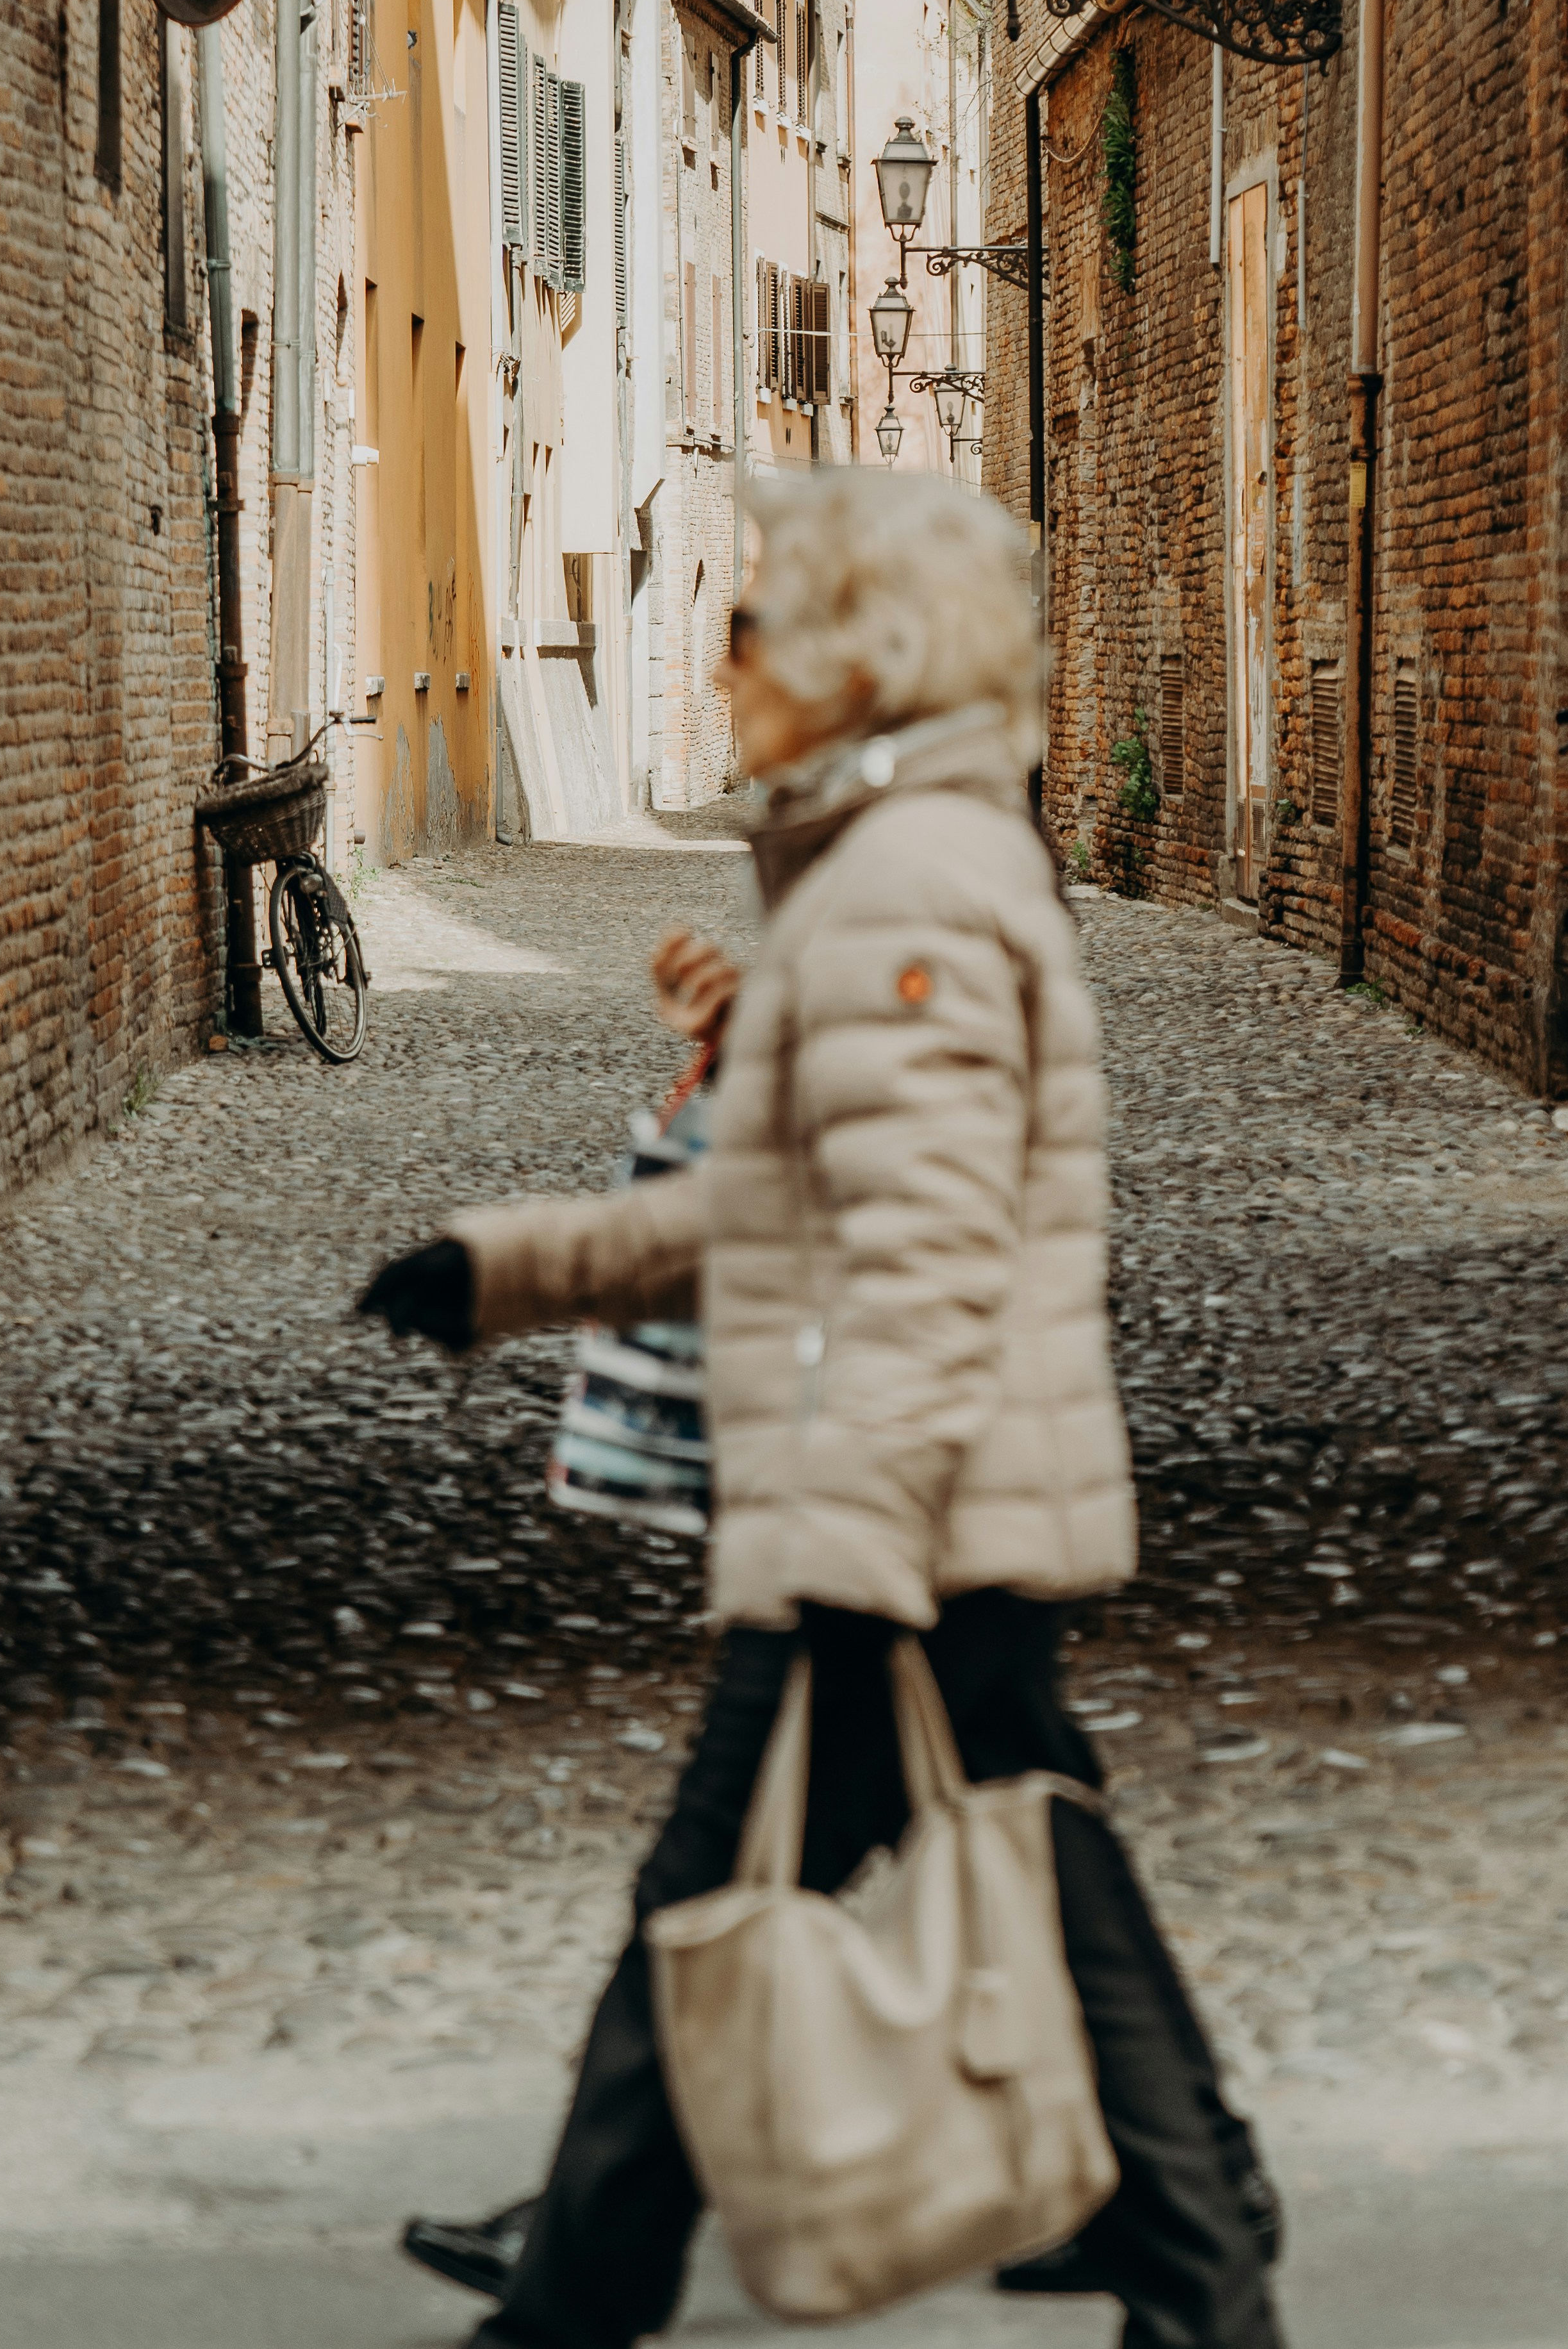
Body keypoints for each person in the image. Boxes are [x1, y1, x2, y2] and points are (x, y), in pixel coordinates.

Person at [359, 468, 1283, 2349]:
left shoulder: (904, 894)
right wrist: (515, 1269)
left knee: (708, 1906)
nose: (724, 648)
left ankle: (567, 2315)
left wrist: (849, 1535)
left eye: (754, 617)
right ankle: (1203, 2273)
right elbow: (792, 1203)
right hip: (947, 1513)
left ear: (865, 654)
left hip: (904, 1519)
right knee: (1025, 1857)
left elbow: (927, 1253)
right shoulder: (894, 872)